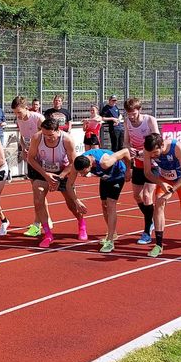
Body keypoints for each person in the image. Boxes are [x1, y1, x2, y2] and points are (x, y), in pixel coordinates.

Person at [27, 118, 88, 248]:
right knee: (38, 199)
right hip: (43, 170)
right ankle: (47, 233)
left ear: (57, 130)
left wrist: (60, 178)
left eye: (50, 135)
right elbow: (30, 158)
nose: (47, 138)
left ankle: (81, 223)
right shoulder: (37, 138)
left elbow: (73, 162)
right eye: (45, 134)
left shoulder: (67, 140)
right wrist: (45, 175)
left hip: (63, 171)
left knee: (71, 204)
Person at [143, 133, 181, 257]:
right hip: (164, 179)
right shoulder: (148, 149)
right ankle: (159, 245)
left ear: (162, 145)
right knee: (159, 204)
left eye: (155, 152)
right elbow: (148, 173)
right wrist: (161, 183)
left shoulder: (176, 147)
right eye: (151, 153)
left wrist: (171, 190)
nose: (153, 156)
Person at [66, 148, 131, 253]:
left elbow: (126, 152)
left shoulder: (105, 162)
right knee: (104, 205)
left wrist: (128, 170)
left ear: (90, 165)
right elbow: (69, 185)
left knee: (111, 204)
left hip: (117, 174)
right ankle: (113, 234)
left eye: (83, 172)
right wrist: (76, 201)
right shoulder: (77, 164)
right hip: (105, 177)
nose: (82, 175)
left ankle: (110, 241)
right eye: (80, 173)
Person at [123, 97, 159, 245]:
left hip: (152, 162)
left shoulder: (150, 120)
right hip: (137, 162)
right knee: (137, 196)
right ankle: (152, 219)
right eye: (129, 113)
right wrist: (129, 148)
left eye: (134, 113)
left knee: (147, 195)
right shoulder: (127, 121)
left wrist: (146, 152)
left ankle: (146, 232)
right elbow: (126, 141)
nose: (131, 116)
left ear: (139, 110)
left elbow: (157, 140)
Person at [11, 95, 44, 237]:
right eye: (15, 113)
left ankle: (39, 223)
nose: (17, 115)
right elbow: (22, 137)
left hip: (43, 157)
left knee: (40, 193)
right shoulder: (19, 119)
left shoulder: (38, 118)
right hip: (31, 158)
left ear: (26, 108)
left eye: (19, 112)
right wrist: (24, 147)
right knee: (37, 192)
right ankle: (41, 221)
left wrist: (36, 150)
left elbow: (47, 135)